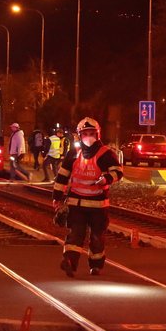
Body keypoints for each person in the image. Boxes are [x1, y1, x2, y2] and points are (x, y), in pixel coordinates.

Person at [52, 117, 123, 277]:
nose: (88, 137)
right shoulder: (73, 154)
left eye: (91, 133)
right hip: (76, 204)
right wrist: (57, 197)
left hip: (98, 206)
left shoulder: (105, 154)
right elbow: (62, 177)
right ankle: (69, 261)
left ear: (97, 135)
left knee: (97, 237)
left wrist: (107, 179)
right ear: (80, 135)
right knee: (75, 233)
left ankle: (96, 265)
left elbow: (118, 171)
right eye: (85, 133)